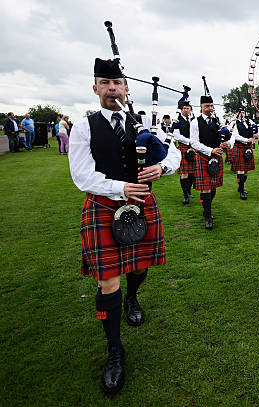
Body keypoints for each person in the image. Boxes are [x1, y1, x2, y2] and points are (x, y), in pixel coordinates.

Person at [68, 58, 180, 395]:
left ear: (126, 88)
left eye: (117, 83)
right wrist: (121, 188)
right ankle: (115, 350)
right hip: (103, 207)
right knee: (107, 280)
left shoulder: (143, 121)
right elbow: (82, 175)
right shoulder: (84, 127)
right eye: (104, 83)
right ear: (95, 89)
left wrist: (163, 169)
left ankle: (133, 298)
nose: (111, 88)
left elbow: (173, 153)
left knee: (139, 266)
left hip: (142, 204)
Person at [190, 95, 234, 229]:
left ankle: (206, 208)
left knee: (213, 188)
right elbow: (194, 142)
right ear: (201, 107)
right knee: (206, 188)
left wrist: (228, 143)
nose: (210, 108)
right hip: (204, 157)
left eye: (211, 106)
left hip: (217, 158)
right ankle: (208, 216)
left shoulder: (219, 120)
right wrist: (211, 150)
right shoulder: (195, 122)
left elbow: (231, 136)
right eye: (207, 106)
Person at [172, 102, 196, 204]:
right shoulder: (177, 120)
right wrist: (189, 141)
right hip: (184, 147)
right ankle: (185, 196)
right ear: (182, 110)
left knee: (192, 173)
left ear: (190, 110)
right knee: (184, 173)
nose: (186, 110)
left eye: (188, 108)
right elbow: (176, 135)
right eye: (184, 108)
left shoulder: (193, 120)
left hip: (194, 147)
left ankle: (189, 191)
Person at [231, 109, 257, 200]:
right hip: (239, 147)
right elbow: (235, 135)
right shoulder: (234, 123)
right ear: (236, 113)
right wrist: (246, 140)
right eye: (240, 112)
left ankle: (240, 187)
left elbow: (256, 129)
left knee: (246, 171)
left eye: (243, 112)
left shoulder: (249, 122)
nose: (242, 114)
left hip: (247, 148)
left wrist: (256, 135)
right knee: (241, 170)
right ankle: (241, 191)